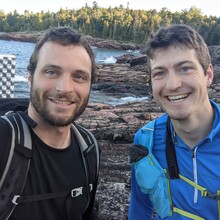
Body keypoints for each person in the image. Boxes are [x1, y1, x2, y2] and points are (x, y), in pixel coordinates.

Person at [0, 27, 100, 220]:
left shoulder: (89, 148)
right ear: (30, 78)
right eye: (52, 72)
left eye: (79, 76)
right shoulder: (4, 139)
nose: (64, 88)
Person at [128, 24, 220, 219]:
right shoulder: (146, 141)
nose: (173, 84)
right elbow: (140, 207)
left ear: (208, 75)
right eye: (160, 73)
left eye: (185, 68)